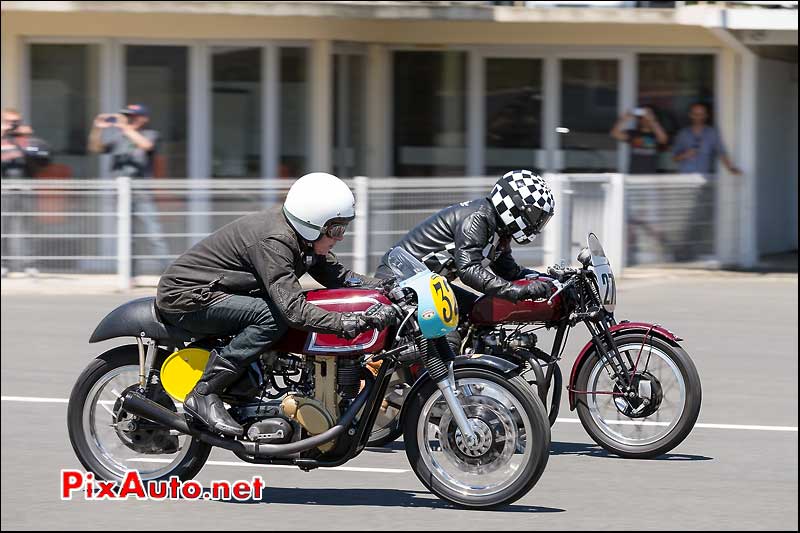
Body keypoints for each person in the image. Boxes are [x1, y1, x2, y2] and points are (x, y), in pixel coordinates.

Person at [156, 172, 397, 437]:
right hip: (188, 296)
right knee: (273, 317)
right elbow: (292, 310)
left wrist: (386, 287)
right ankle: (204, 392)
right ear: (312, 223)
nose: (340, 237)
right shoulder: (277, 241)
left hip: (218, 292)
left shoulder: (303, 239)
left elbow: (339, 277)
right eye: (336, 229)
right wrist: (344, 323)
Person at [375, 169, 556, 323]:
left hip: (425, 285)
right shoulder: (478, 218)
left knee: (478, 313)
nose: (536, 223)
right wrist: (517, 291)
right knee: (448, 334)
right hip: (400, 280)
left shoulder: (499, 229)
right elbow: (468, 270)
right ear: (514, 206)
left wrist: (550, 281)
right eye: (535, 215)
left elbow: (510, 272)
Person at [88, 103, 170, 272]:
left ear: (144, 119)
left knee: (154, 234)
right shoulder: (119, 138)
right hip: (122, 192)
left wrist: (125, 127)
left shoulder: (150, 134)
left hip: (141, 190)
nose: (129, 119)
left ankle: (169, 274)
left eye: (133, 116)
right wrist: (97, 128)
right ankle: (129, 274)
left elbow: (146, 146)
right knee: (127, 235)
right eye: (127, 116)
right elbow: (95, 147)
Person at [1, 108, 51, 277]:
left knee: (28, 229)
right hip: (4, 190)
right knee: (3, 229)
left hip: (25, 188)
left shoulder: (28, 141)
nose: (13, 126)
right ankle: (3, 264)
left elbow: (43, 160)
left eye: (16, 122)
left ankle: (30, 264)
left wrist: (28, 141)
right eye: (9, 122)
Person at [672, 102, 741, 175]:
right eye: (696, 114)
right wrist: (685, 155)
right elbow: (674, 158)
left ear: (706, 115)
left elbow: (721, 153)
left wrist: (731, 168)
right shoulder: (683, 134)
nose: (699, 117)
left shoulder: (712, 133)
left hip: (704, 177)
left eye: (702, 114)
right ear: (690, 115)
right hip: (685, 178)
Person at [609, 106, 669, 174]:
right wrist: (625, 118)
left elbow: (663, 139)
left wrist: (652, 121)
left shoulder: (656, 134)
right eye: (643, 117)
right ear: (639, 119)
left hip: (650, 175)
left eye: (648, 115)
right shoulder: (633, 133)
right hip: (634, 174)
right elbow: (614, 134)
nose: (645, 119)